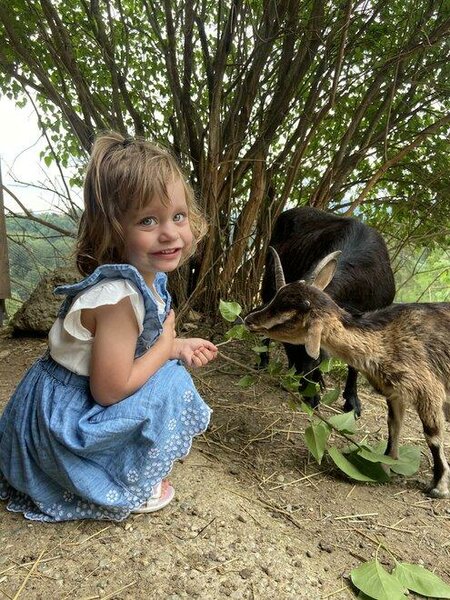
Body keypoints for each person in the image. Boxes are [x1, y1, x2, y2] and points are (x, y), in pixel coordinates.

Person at [0, 132, 218, 522]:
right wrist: (166, 346)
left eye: (178, 216)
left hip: (67, 398)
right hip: (66, 422)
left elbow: (130, 347)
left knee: (167, 366)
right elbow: (109, 390)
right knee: (172, 383)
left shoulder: (145, 277)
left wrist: (176, 343)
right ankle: (121, 483)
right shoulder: (118, 299)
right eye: (148, 220)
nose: (169, 232)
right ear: (113, 230)